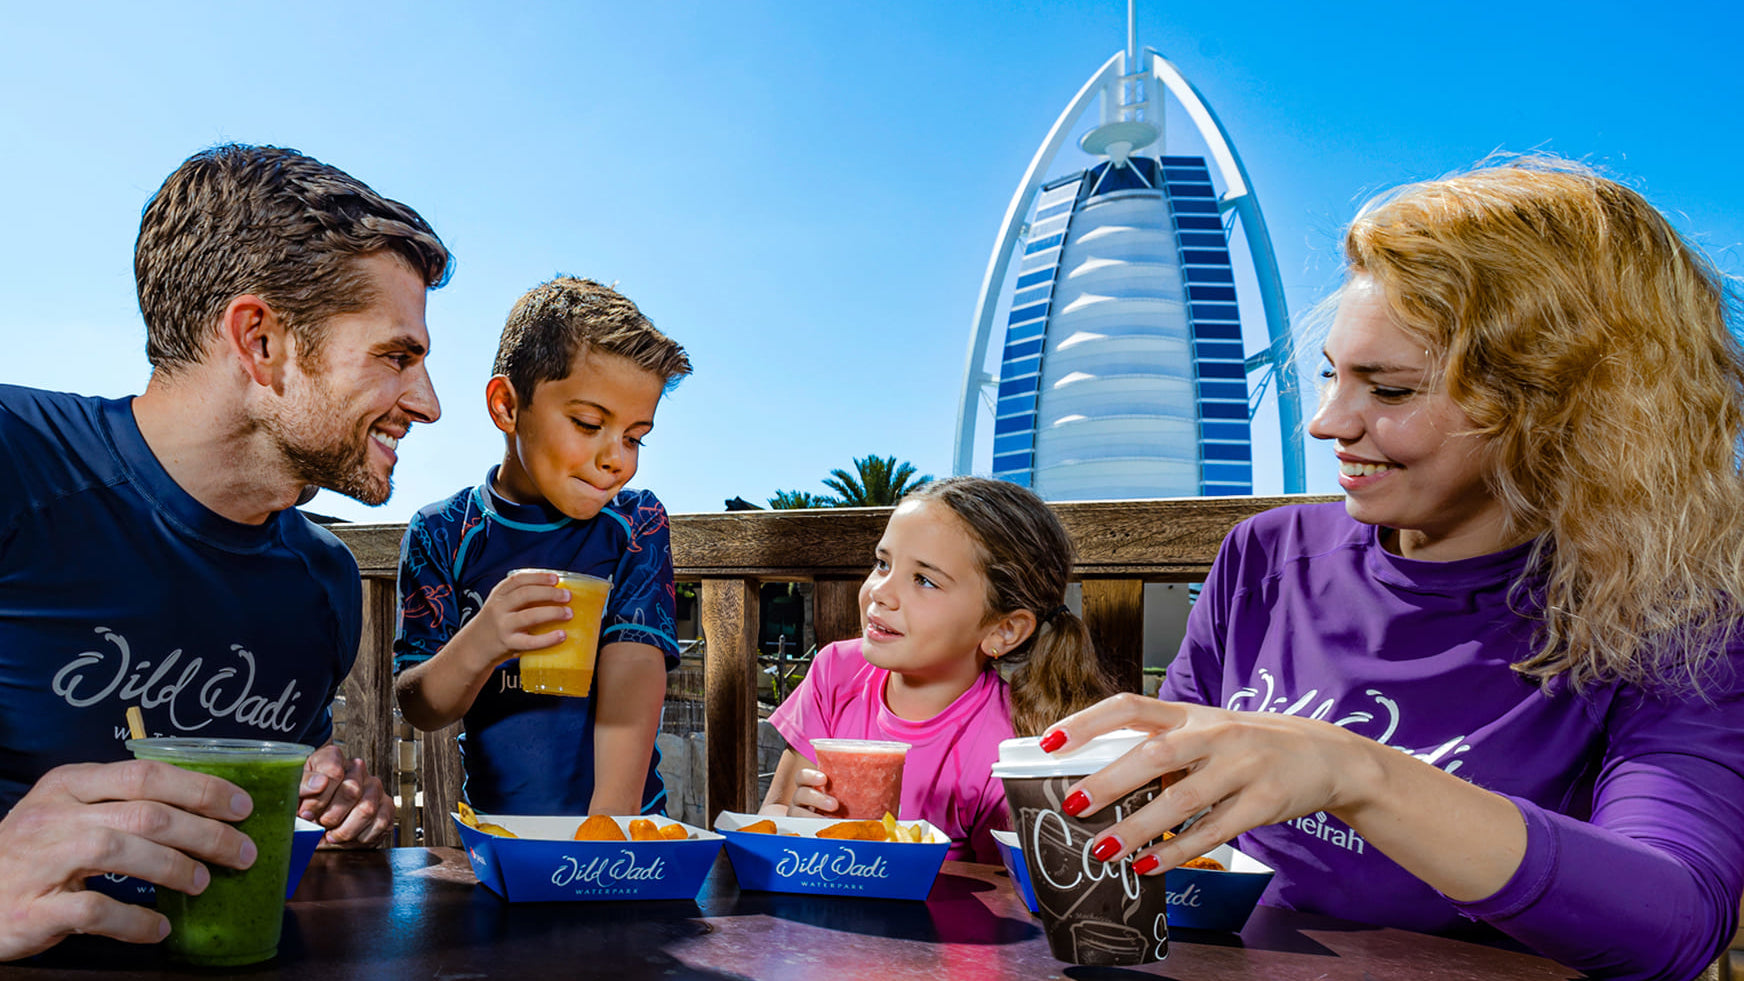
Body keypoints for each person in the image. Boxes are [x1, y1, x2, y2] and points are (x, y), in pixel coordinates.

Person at [1041, 160, 1744, 980]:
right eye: (1332, 373)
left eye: (1392, 389)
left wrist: (1356, 771)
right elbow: (1172, 818)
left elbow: (1675, 922)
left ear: (1562, 408)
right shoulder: (1264, 558)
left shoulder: (1674, 616)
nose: (1326, 422)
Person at [0, 143, 452, 961]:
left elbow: (282, 807)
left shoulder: (324, 580)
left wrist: (330, 810)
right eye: (396, 355)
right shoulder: (18, 461)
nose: (426, 402)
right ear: (260, 339)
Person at [393, 277, 690, 817]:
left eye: (634, 437)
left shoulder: (635, 522)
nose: (616, 459)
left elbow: (635, 669)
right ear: (507, 406)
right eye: (589, 423)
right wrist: (483, 640)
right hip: (500, 836)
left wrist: (608, 829)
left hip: (620, 832)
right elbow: (420, 705)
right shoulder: (441, 532)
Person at [760, 476, 1117, 862]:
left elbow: (1002, 889)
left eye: (925, 580)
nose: (880, 591)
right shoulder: (836, 671)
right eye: (883, 563)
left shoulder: (1007, 749)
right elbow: (772, 812)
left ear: (1003, 630)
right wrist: (796, 824)